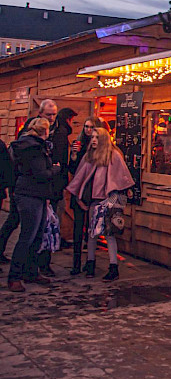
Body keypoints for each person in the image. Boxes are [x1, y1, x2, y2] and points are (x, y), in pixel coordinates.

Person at [66, 128, 133, 281]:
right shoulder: (89, 156)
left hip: (110, 200)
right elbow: (80, 176)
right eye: (93, 137)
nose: (94, 139)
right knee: (92, 232)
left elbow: (122, 178)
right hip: (94, 200)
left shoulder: (114, 156)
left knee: (109, 234)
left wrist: (112, 201)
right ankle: (90, 263)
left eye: (97, 137)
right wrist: (79, 197)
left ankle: (113, 267)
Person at [7, 118, 60, 292]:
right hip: (31, 194)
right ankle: (15, 276)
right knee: (27, 236)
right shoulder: (34, 149)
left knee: (36, 236)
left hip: (33, 193)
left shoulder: (26, 145)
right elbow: (41, 173)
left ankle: (30, 271)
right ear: (45, 131)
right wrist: (56, 169)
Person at [38, 107, 77, 275]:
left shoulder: (59, 133)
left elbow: (60, 162)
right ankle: (38, 265)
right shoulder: (57, 134)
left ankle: (40, 264)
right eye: (49, 114)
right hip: (44, 188)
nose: (52, 117)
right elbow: (57, 164)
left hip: (52, 187)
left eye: (54, 114)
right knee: (42, 227)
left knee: (48, 226)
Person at [68, 116, 101, 275]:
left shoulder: (101, 148)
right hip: (81, 190)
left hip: (95, 192)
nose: (88, 130)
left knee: (92, 229)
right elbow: (72, 169)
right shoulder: (80, 144)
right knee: (78, 228)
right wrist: (74, 155)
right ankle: (76, 263)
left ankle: (90, 262)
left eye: (91, 127)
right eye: (86, 127)